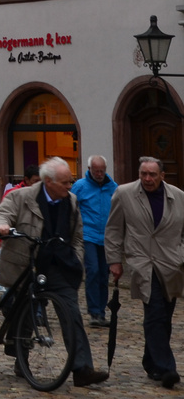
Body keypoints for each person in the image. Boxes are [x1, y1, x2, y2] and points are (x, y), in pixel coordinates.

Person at [0, 155, 106, 387]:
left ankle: (82, 369)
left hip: (60, 266)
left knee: (72, 314)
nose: (69, 186)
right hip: (27, 263)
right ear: (48, 182)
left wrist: (77, 259)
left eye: (70, 181)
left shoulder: (71, 201)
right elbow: (0, 214)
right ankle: (21, 359)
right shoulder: (22, 197)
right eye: (65, 182)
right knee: (26, 312)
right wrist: (2, 225)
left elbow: (77, 237)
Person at [107, 155, 184, 387]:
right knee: (155, 313)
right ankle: (167, 367)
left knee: (165, 316)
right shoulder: (125, 193)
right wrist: (114, 260)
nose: (147, 179)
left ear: (162, 175)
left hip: (171, 263)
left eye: (152, 174)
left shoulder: (178, 197)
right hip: (143, 262)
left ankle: (151, 362)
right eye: (143, 174)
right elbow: (113, 228)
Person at [72, 155, 116, 327]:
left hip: (106, 237)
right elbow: (71, 207)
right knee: (94, 271)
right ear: (89, 169)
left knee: (104, 275)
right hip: (88, 235)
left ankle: (101, 311)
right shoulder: (80, 187)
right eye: (96, 171)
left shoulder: (113, 187)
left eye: (102, 171)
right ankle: (94, 312)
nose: (99, 174)